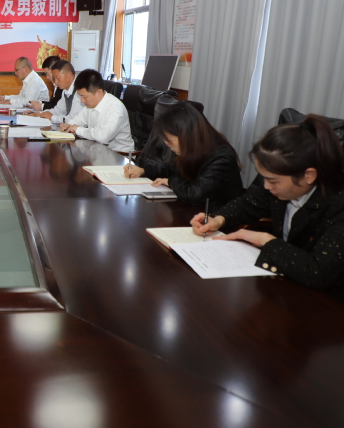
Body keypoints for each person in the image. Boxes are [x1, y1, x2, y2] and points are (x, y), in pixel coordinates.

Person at [192, 115, 344, 301]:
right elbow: (247, 204)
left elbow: (317, 272)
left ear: (309, 176)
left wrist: (266, 240)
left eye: (273, 181)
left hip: (325, 304)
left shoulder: (338, 204)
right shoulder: (278, 185)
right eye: (263, 178)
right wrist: (218, 219)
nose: (266, 186)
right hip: (284, 286)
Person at [124, 102, 244, 208]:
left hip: (216, 218)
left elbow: (196, 194)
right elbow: (171, 168)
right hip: (194, 212)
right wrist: (143, 170)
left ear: (187, 135)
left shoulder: (222, 156)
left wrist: (171, 182)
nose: (166, 144)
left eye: (169, 139)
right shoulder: (194, 148)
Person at [60, 68, 134, 152]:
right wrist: (68, 126)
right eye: (80, 96)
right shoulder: (90, 105)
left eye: (84, 97)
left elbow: (104, 137)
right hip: (98, 150)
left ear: (99, 92)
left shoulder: (116, 108)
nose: (82, 100)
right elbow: (77, 120)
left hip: (119, 155)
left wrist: (78, 129)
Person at [33, 60, 84, 124]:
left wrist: (52, 117)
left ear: (69, 75)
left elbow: (73, 119)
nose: (56, 82)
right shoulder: (65, 90)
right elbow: (58, 110)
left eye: (57, 78)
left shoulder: (80, 91)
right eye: (54, 78)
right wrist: (39, 114)